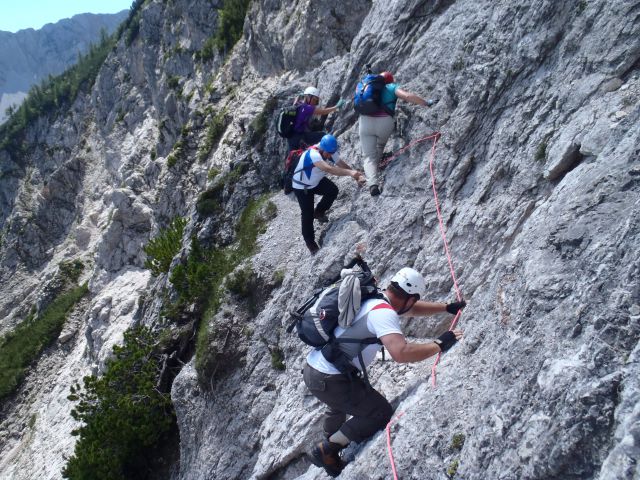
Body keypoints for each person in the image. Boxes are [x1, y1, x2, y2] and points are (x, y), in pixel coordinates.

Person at [303, 267, 466, 477]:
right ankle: (327, 449)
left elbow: (410, 309)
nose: (413, 305)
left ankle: (331, 437)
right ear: (410, 297)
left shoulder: (376, 298)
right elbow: (401, 352)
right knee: (379, 412)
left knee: (339, 404)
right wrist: (439, 344)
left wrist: (446, 307)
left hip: (315, 369)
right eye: (414, 300)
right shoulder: (384, 313)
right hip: (330, 379)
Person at [359, 71, 434, 196]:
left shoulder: (367, 87)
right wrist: (426, 103)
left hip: (365, 121)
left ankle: (372, 183)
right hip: (384, 122)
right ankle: (376, 167)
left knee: (368, 156)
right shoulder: (391, 87)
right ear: (390, 81)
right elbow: (408, 96)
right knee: (379, 147)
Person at [292, 134, 365, 254]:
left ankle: (319, 211)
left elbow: (340, 163)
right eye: (328, 153)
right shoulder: (313, 154)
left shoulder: (328, 150)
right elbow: (329, 169)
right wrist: (351, 173)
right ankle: (310, 243)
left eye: (331, 153)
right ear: (322, 148)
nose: (330, 155)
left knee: (332, 190)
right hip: (302, 187)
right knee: (307, 214)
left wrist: (354, 174)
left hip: (315, 181)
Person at [288, 87, 345, 151]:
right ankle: (330, 152)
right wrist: (336, 107)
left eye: (317, 101)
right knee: (322, 135)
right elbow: (323, 112)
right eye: (315, 100)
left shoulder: (298, 104)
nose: (315, 103)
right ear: (309, 97)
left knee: (292, 156)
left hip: (291, 136)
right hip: (299, 136)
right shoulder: (307, 108)